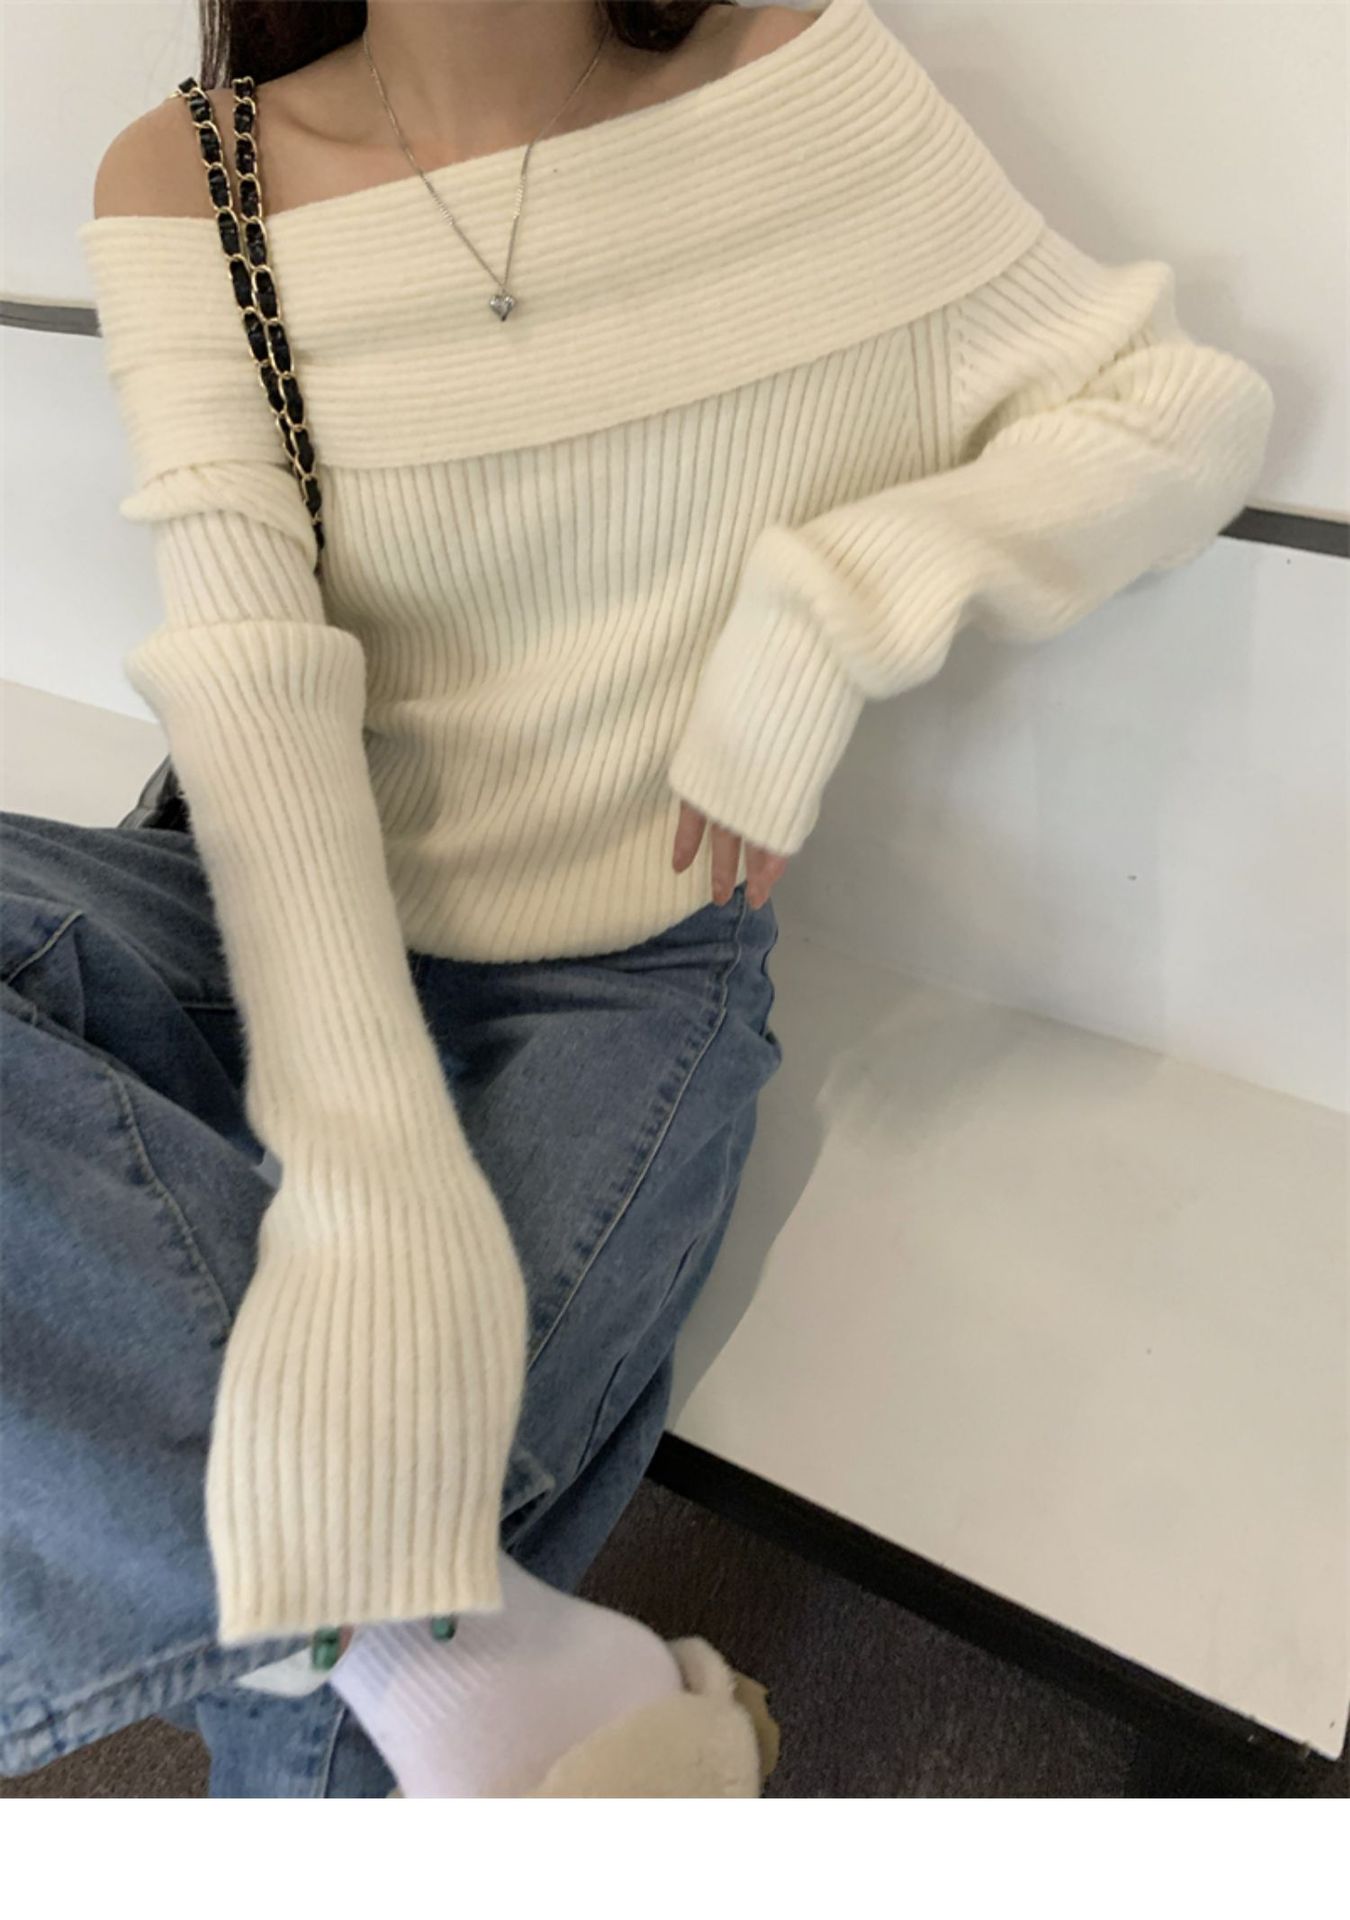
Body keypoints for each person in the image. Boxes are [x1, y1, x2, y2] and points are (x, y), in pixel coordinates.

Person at [0, 0, 1273, 1797]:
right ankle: (437, 1640)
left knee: (395, 1544)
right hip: (244, 899)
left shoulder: (802, 94)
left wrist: (832, 609)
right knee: (406, 1490)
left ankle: (387, 1649)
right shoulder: (191, 176)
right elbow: (252, 670)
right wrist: (361, 1156)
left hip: (615, 973)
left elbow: (1177, 409)